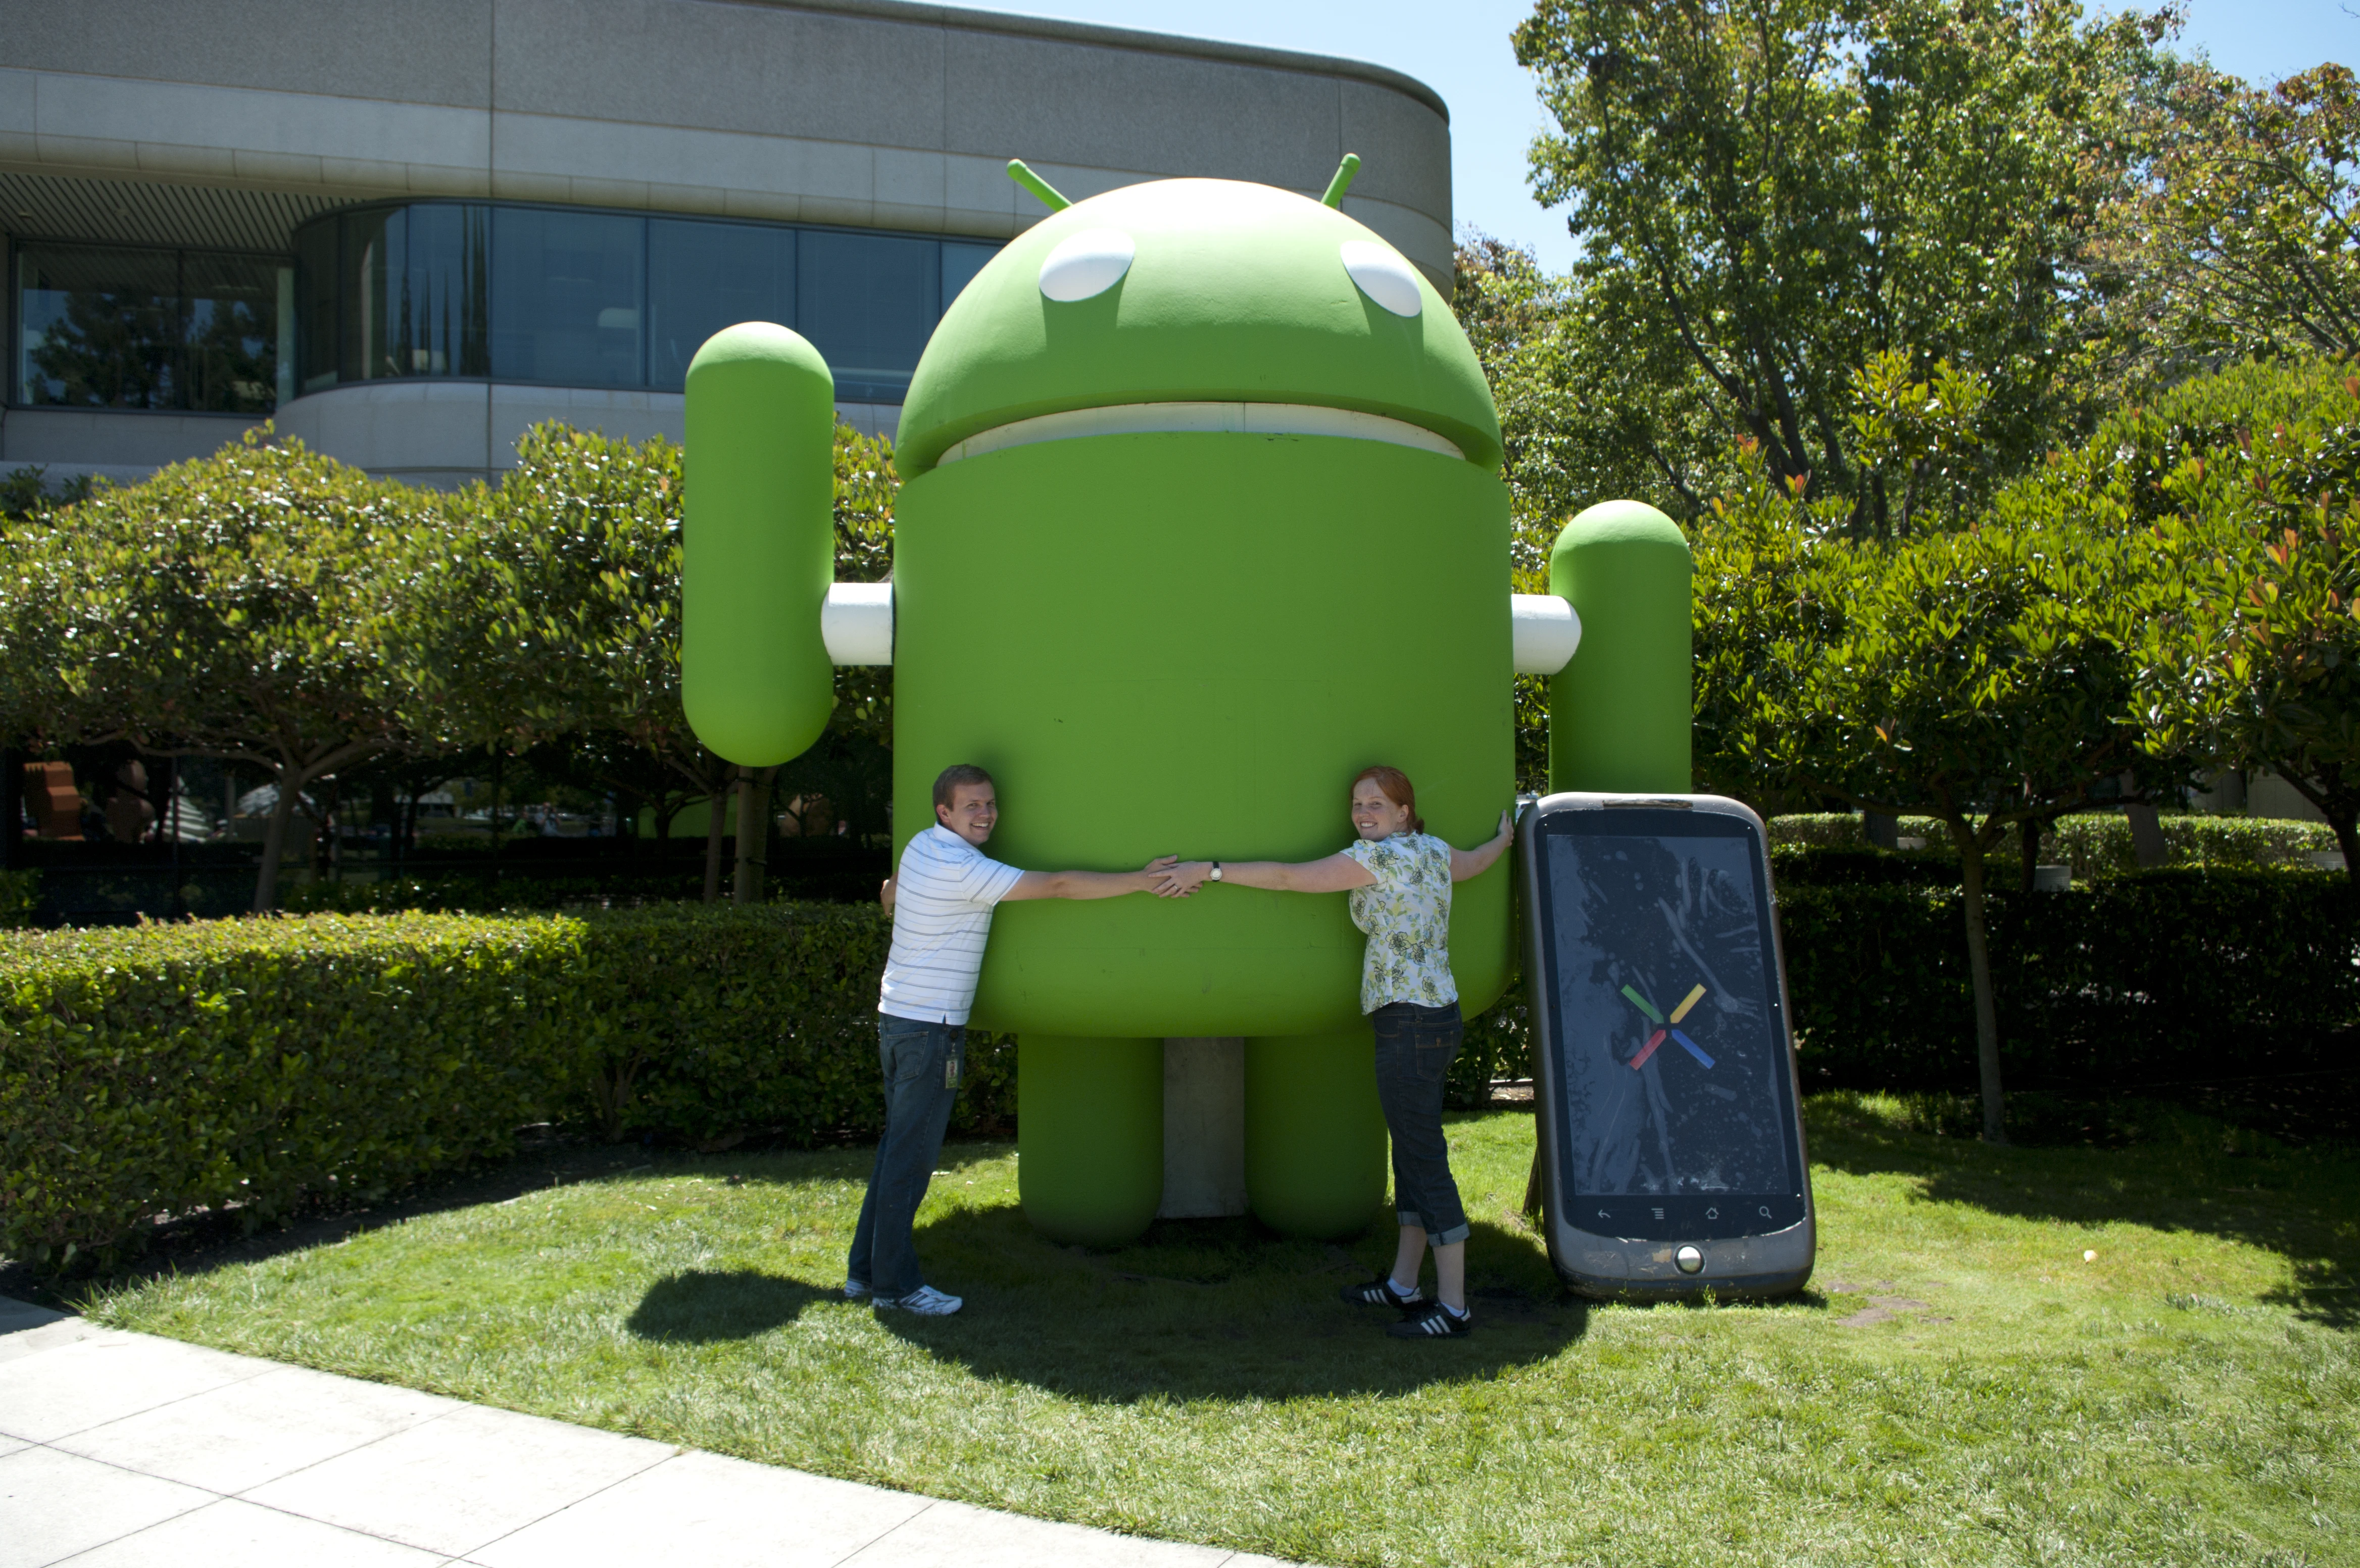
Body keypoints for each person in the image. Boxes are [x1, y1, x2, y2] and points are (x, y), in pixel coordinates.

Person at [1156, 766, 1512, 1339]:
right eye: (1357, 803)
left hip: (1409, 1022)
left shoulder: (1376, 858)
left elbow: (1286, 877)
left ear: (1404, 811)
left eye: (1377, 803)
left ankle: (1454, 1305)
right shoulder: (1430, 850)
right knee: (1412, 1149)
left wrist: (1210, 870)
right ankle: (1402, 1282)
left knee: (1423, 1158)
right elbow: (1473, 862)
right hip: (1436, 1015)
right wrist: (1504, 839)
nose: (1364, 812)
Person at [852, 762, 1180, 1316]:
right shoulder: (963, 867)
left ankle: (865, 1275)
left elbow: (890, 891)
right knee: (908, 1160)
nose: (985, 813)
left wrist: (894, 902)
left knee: (895, 1153)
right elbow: (1056, 885)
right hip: (930, 1029)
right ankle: (895, 1287)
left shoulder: (920, 847)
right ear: (945, 812)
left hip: (897, 1020)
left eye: (989, 803)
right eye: (972, 806)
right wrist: (1141, 880)